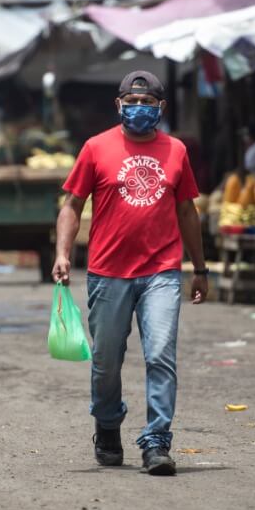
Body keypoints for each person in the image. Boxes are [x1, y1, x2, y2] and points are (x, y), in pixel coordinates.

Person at [53, 70, 208, 476]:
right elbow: (71, 205)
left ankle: (157, 442)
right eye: (132, 102)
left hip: (162, 272)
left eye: (148, 103)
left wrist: (200, 267)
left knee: (160, 355)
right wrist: (63, 254)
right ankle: (107, 424)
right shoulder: (95, 148)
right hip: (108, 272)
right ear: (119, 105)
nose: (139, 109)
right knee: (106, 361)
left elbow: (188, 211)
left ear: (161, 108)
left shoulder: (175, 151)